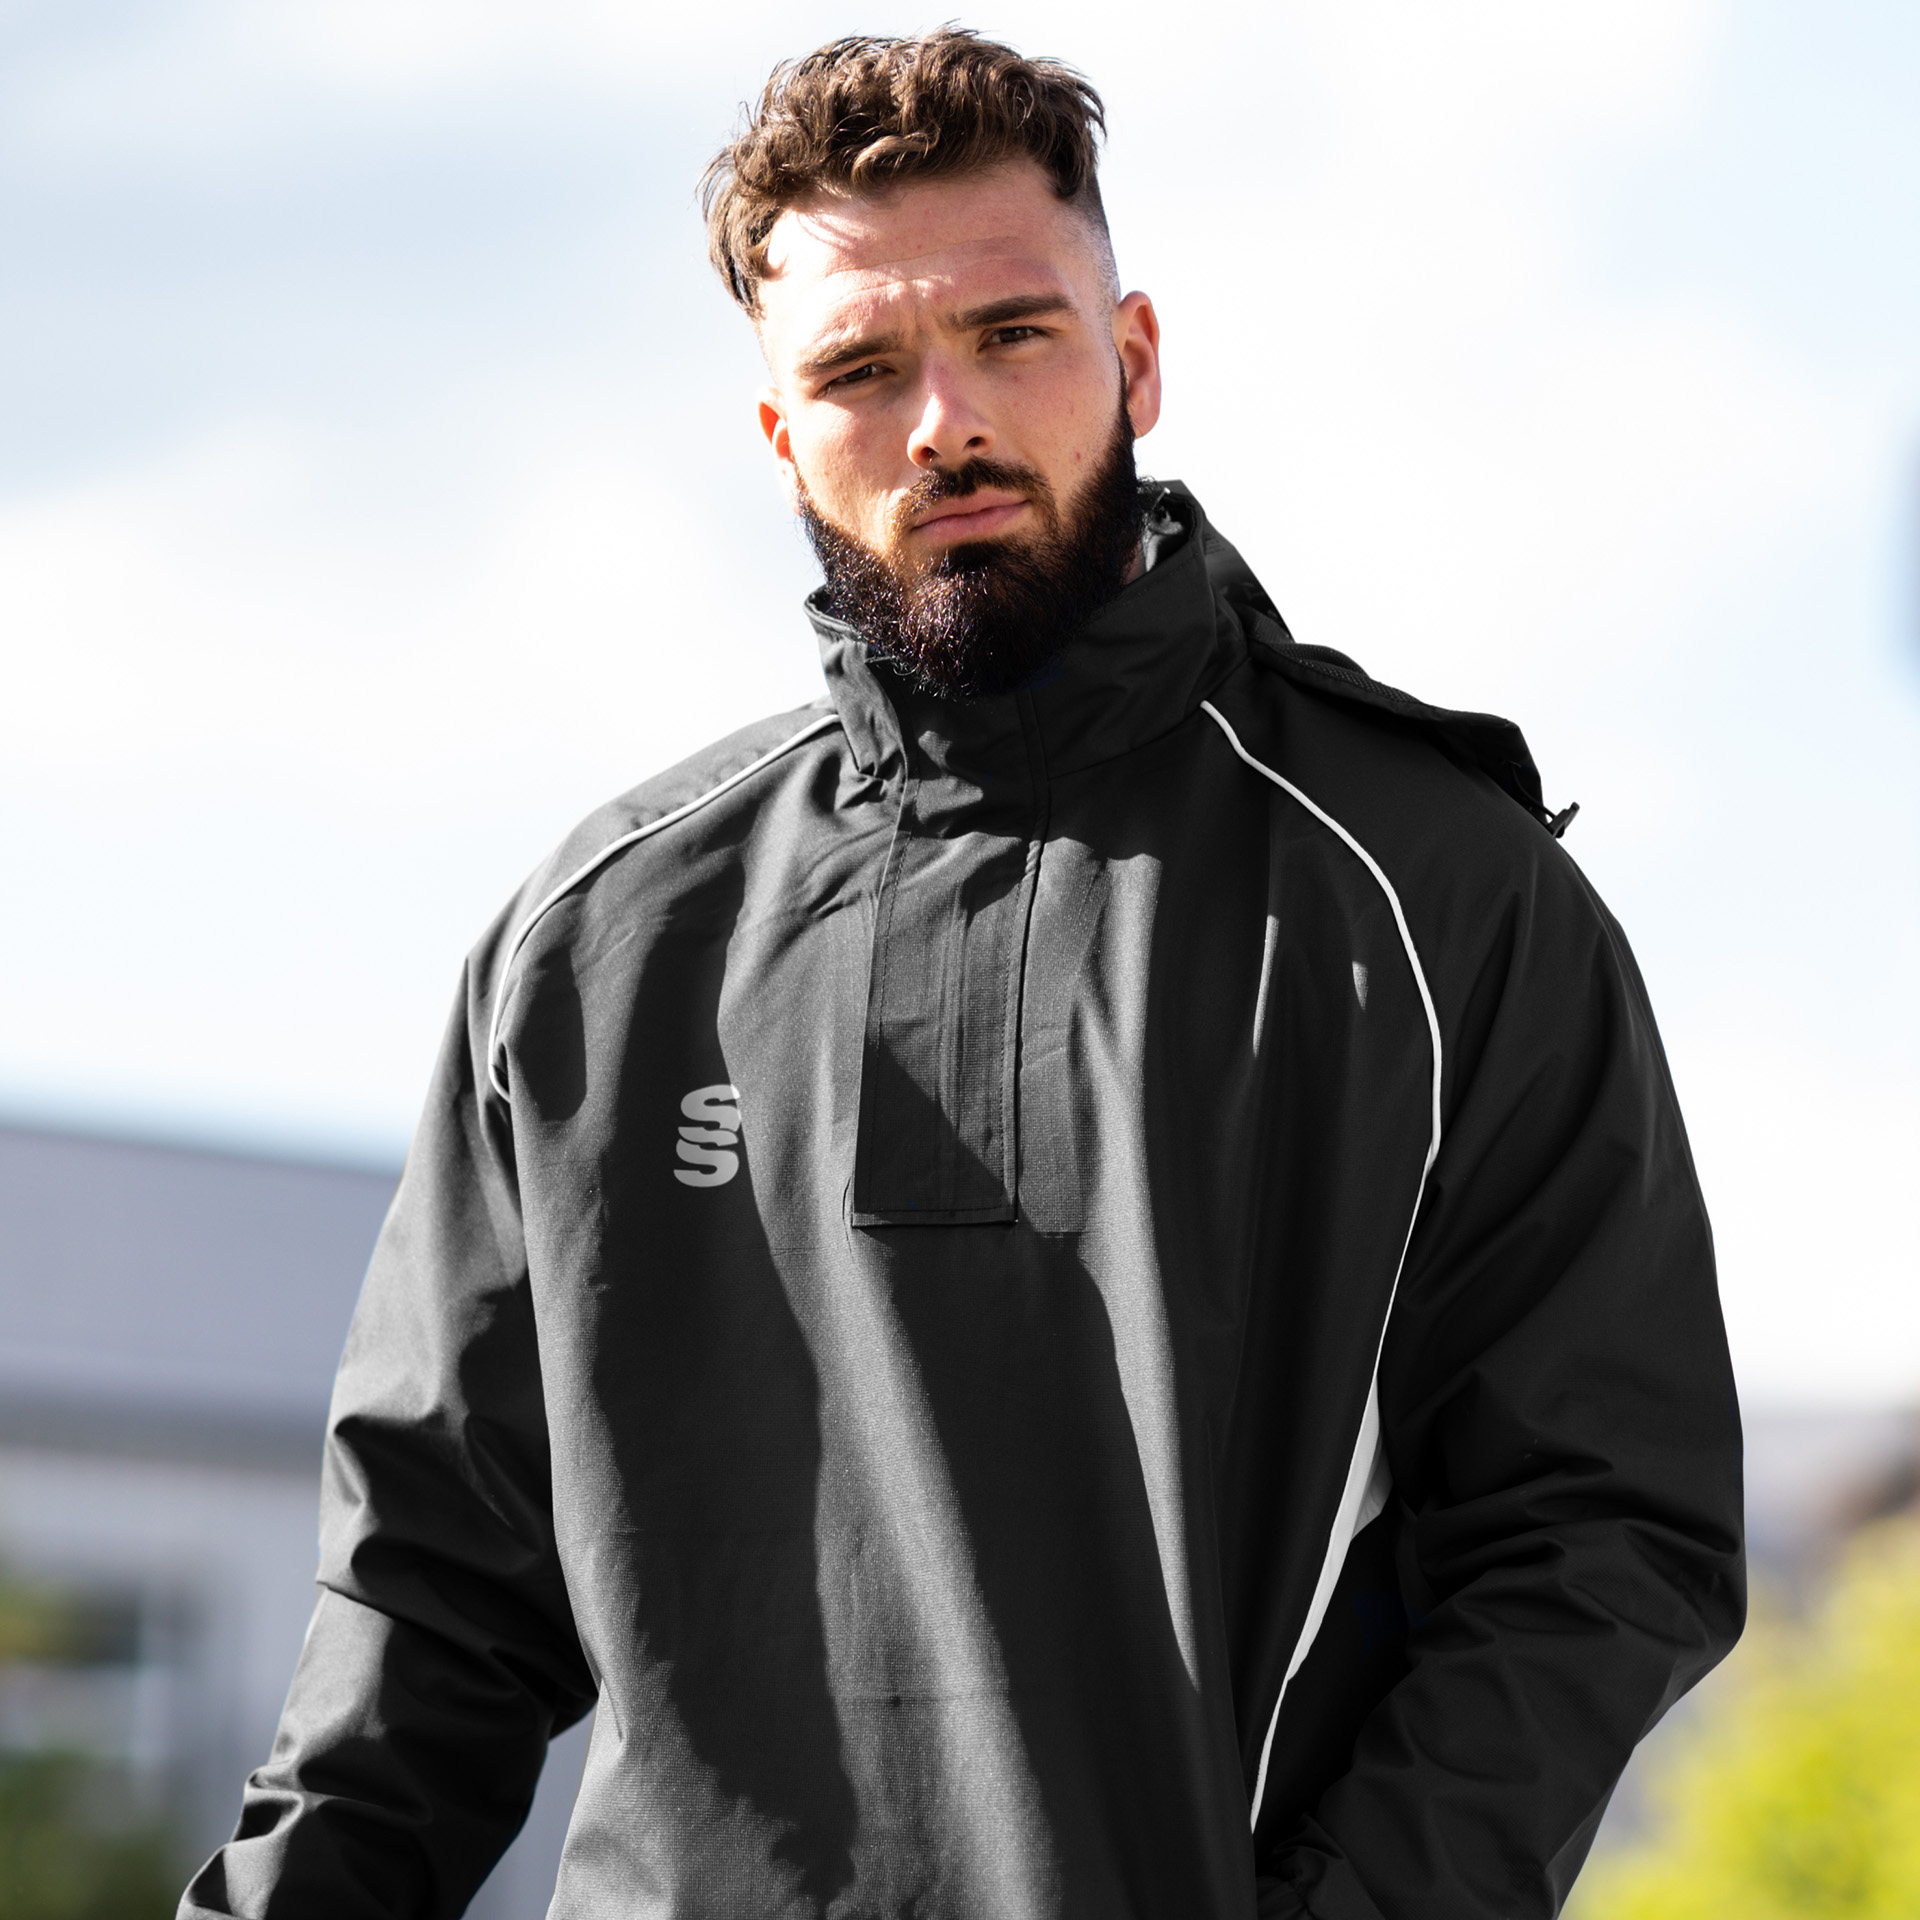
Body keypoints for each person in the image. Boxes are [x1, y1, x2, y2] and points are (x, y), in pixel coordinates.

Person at [183, 29, 1744, 1920]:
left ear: (1134, 360)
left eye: (1012, 335)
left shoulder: (1433, 898)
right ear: (782, 434)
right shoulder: (595, 941)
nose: (945, 421)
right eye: (861, 369)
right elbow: (427, 1606)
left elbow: (1597, 1532)